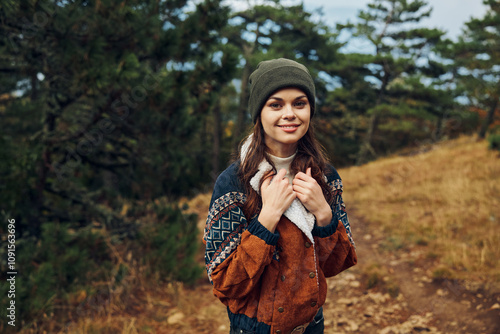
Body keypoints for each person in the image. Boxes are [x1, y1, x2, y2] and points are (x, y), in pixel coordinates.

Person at [203, 58, 357, 334]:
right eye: (276, 104)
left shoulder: (323, 175)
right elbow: (226, 283)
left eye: (300, 103)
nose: (290, 114)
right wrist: (267, 219)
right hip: (255, 328)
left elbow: (337, 264)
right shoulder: (235, 182)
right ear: (258, 113)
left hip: (312, 325)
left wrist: (323, 213)